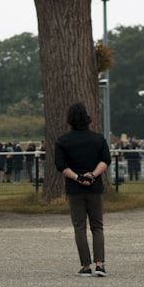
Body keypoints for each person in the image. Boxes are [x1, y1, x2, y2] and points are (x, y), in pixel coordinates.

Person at [54, 103, 111, 277]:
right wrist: (92, 175)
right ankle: (100, 264)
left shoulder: (63, 141)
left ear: (69, 120)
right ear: (87, 118)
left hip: (74, 188)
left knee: (79, 227)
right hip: (95, 187)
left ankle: (86, 265)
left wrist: (78, 177)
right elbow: (105, 160)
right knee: (97, 226)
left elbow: (61, 166)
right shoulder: (98, 139)